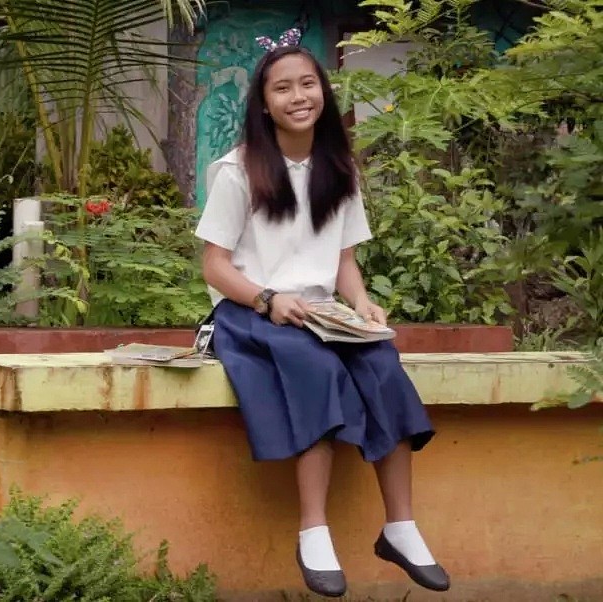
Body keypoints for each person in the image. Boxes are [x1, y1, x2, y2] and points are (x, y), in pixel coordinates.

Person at [194, 30, 451, 598]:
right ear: (264, 104)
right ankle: (313, 529)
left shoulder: (340, 168)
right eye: (282, 88)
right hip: (250, 311)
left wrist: (360, 304)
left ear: (324, 93)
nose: (298, 96)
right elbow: (214, 266)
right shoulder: (237, 171)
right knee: (317, 369)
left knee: (383, 366)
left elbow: (343, 261)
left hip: (320, 311)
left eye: (308, 83)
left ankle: (400, 526)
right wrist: (267, 299)